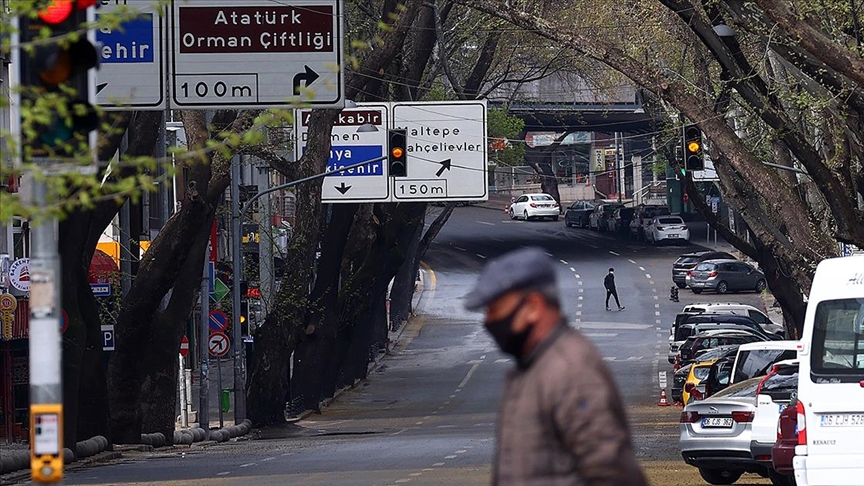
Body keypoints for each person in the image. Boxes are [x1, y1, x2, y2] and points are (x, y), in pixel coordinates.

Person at [465, 248, 648, 486]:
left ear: (533, 306)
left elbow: (611, 472)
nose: (488, 321)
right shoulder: (533, 367)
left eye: (496, 309)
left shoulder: (570, 372)